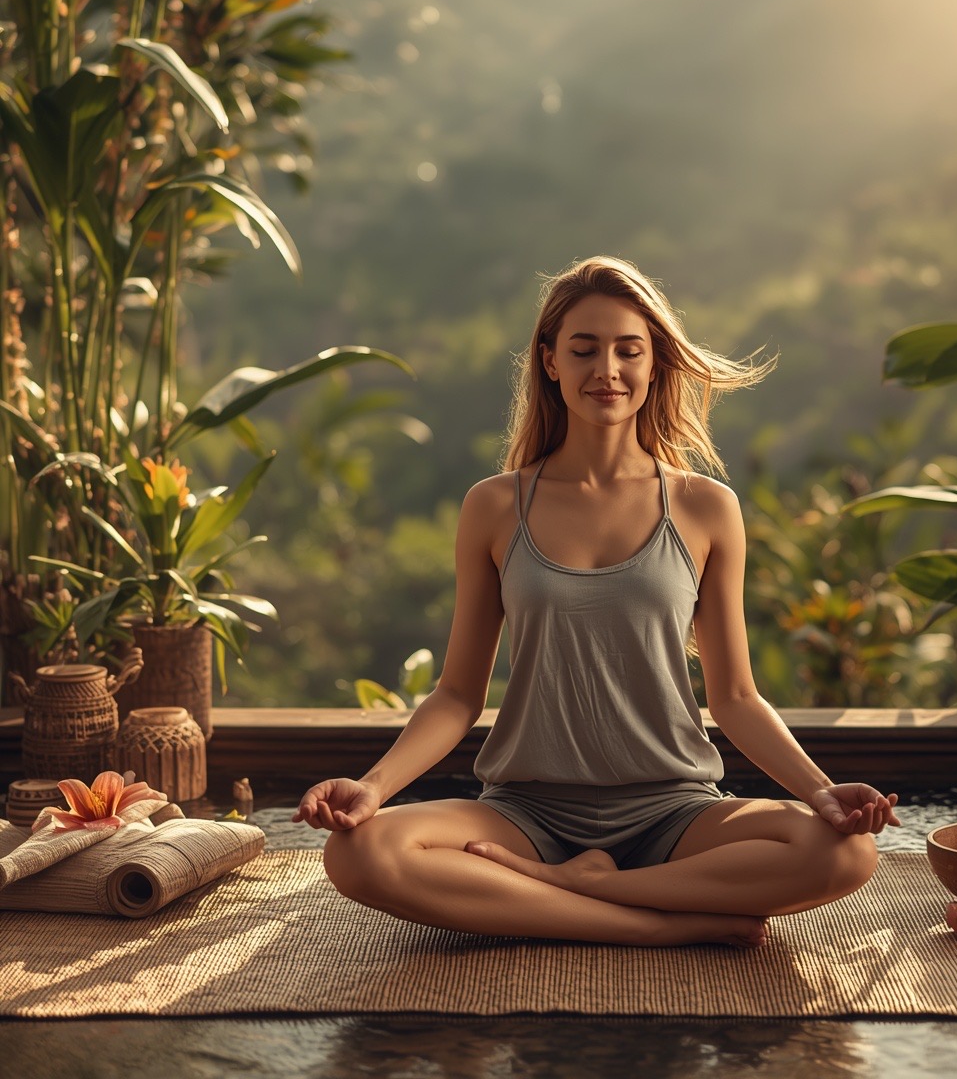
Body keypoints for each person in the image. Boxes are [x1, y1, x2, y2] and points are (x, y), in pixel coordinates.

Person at [294, 256, 901, 949]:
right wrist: (372, 788)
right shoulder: (495, 507)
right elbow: (458, 695)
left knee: (845, 853)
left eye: (627, 350)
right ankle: (656, 929)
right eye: (583, 350)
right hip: (526, 811)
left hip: (674, 809)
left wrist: (822, 792)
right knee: (358, 853)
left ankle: (579, 889)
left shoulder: (705, 508)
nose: (606, 369)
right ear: (550, 363)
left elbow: (734, 697)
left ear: (654, 366)